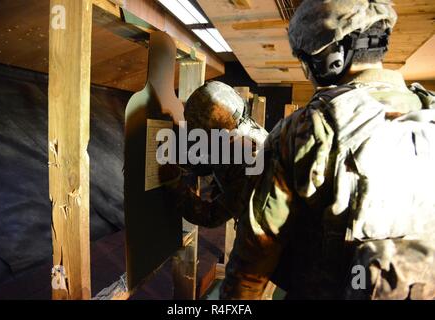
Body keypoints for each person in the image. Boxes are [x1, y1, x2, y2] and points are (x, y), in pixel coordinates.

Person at [220, 0, 435, 300]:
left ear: (330, 59)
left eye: (305, 61)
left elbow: (254, 255)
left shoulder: (307, 129)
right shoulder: (429, 113)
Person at [166, 81, 268, 228]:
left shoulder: (251, 161)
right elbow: (216, 157)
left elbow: (210, 216)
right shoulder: (239, 123)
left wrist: (175, 185)